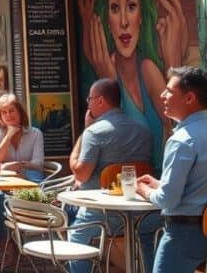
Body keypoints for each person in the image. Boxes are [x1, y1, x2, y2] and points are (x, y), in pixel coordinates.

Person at [78, 0, 186, 168]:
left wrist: (174, 62)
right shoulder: (102, 71)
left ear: (142, 15)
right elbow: (102, 146)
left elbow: (178, 129)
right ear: (106, 19)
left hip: (156, 182)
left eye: (131, 6)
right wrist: (107, 81)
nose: (125, 22)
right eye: (115, 8)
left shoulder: (147, 69)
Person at [66, 78, 154, 273]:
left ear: (100, 101)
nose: (87, 104)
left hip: (102, 212)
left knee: (72, 231)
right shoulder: (143, 130)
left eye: (90, 99)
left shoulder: (95, 132)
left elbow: (80, 173)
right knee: (147, 239)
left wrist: (85, 132)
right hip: (140, 211)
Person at [135, 66, 207, 273]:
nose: (162, 95)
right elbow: (202, 185)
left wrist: (144, 190)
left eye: (169, 91)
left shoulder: (181, 140)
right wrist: (160, 184)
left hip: (185, 235)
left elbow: (167, 200)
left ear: (189, 98)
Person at [0, 94, 45, 268]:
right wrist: (8, 136)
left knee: (0, 203)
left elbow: (38, 164)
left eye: (11, 111)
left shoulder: (35, 133)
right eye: (3, 112)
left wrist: (18, 166)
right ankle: (3, 246)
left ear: (20, 112)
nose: (8, 115)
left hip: (27, 185)